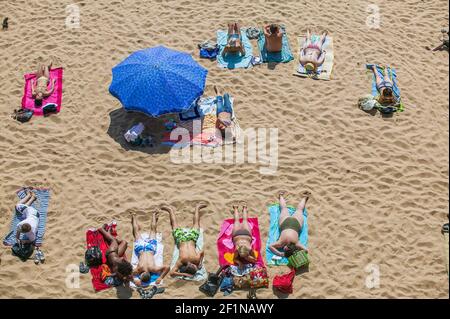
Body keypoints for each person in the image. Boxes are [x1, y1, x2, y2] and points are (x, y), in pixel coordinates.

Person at [161, 203, 207, 278]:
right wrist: (185, 273)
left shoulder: (191, 261)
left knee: (195, 223)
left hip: (189, 238)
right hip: (182, 239)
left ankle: (196, 208)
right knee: (176, 224)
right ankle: (171, 210)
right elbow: (172, 273)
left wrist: (200, 262)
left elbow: (202, 252)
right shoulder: (181, 261)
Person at [130, 211, 169, 287]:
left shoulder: (154, 269)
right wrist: (134, 280)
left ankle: (154, 215)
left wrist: (161, 277)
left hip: (150, 248)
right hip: (140, 249)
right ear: (141, 275)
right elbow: (127, 275)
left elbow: (167, 267)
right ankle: (133, 216)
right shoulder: (138, 269)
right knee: (136, 232)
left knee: (153, 230)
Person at [269, 191, 310, 257]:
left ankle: (304, 198)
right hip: (284, 224)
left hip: (296, 224)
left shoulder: (296, 244)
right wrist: (279, 253)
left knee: (299, 210)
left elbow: (306, 250)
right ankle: (281, 196)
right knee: (284, 209)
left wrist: (295, 252)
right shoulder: (281, 243)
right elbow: (270, 246)